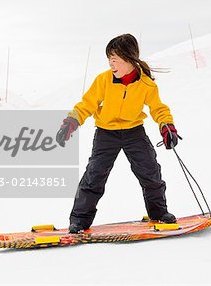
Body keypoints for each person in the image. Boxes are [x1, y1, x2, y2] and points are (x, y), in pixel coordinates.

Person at [56, 33, 179, 234]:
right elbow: (86, 104)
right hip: (106, 134)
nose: (111, 65)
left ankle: (159, 213)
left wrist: (167, 126)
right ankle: (79, 220)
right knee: (94, 176)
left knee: (150, 171)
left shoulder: (146, 84)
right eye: (109, 60)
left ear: (129, 60)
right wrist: (71, 122)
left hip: (134, 132)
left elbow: (158, 108)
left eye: (114, 60)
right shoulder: (104, 80)